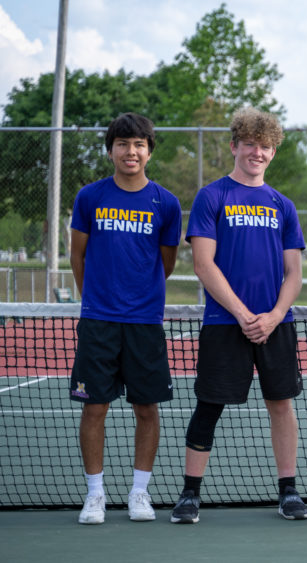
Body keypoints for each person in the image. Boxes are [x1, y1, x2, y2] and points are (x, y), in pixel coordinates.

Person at [170, 107, 307, 524]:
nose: (258, 152)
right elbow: (203, 264)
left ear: (273, 152)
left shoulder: (282, 205)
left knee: (281, 405)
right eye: (250, 144)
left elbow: (295, 272)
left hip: (275, 326)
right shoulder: (212, 197)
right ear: (234, 146)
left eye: (265, 146)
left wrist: (273, 315)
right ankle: (190, 495)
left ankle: (288, 492)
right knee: (209, 405)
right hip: (224, 324)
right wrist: (246, 314)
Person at [69, 112, 182, 524]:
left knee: (146, 409)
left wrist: (136, 294)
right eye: (122, 144)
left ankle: (139, 493)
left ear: (149, 151)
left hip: (145, 322)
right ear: (111, 150)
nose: (130, 151)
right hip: (99, 321)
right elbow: (77, 255)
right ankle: (95, 495)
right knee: (93, 408)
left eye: (138, 144)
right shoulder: (90, 197)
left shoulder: (166, 203)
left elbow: (164, 263)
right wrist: (95, 300)